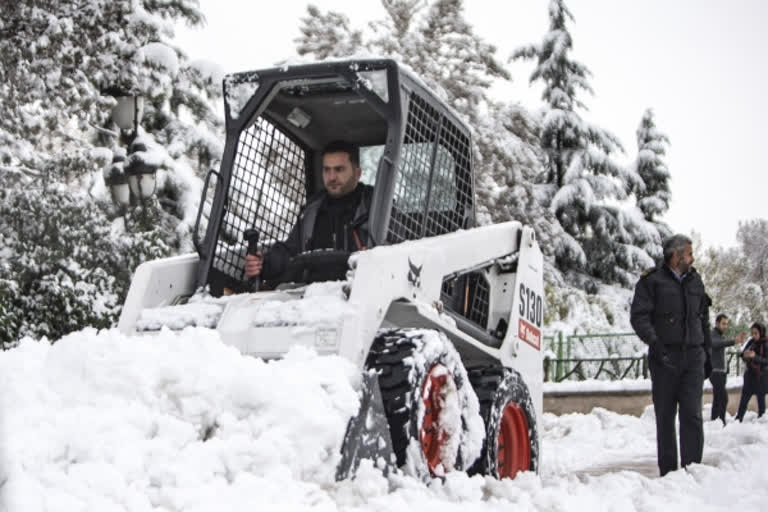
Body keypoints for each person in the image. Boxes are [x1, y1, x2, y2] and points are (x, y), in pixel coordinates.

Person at [630, 234, 712, 477]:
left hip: (693, 357)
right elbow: (639, 317)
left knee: (693, 415)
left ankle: (693, 470)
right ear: (676, 256)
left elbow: (703, 319)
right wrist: (655, 343)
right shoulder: (652, 281)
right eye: (689, 253)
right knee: (666, 417)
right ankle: (668, 473)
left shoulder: (695, 281)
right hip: (664, 358)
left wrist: (706, 353)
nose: (692, 258)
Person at [245, 140, 373, 283]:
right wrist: (263, 264)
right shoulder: (312, 211)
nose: (331, 177)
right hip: (311, 297)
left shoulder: (374, 207)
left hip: (359, 294)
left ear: (357, 173)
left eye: (339, 169)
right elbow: (291, 251)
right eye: (326, 170)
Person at [708, 314, 746, 425]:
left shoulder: (720, 336)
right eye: (723, 323)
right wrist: (734, 341)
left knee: (717, 398)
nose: (725, 326)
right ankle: (721, 421)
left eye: (726, 324)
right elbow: (716, 344)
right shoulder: (712, 335)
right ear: (717, 323)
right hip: (715, 372)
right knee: (723, 398)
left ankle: (714, 421)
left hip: (722, 372)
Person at [734, 322, 768, 421]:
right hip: (750, 376)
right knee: (744, 398)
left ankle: (761, 421)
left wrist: (755, 357)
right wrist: (745, 355)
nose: (754, 336)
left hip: (761, 376)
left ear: (761, 332)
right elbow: (742, 353)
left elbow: (766, 361)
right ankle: (738, 419)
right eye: (752, 333)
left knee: (760, 399)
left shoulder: (765, 343)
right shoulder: (751, 342)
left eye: (756, 333)